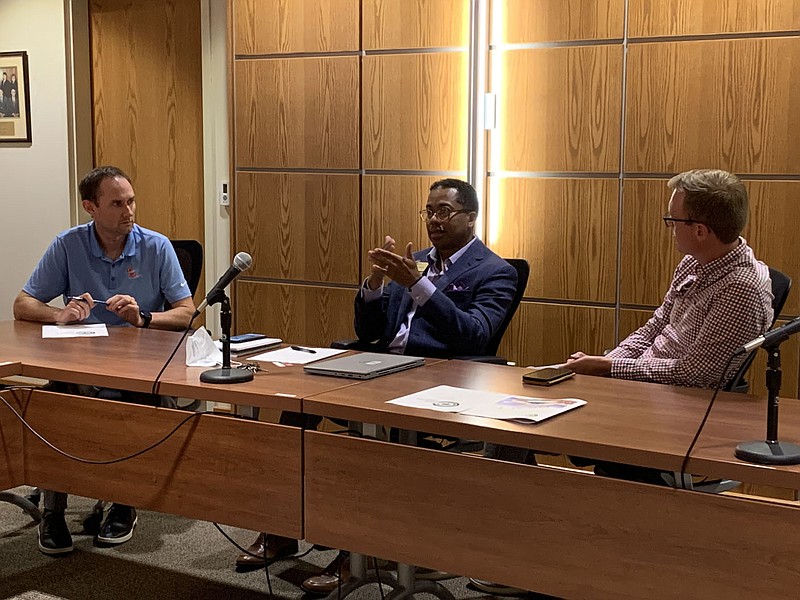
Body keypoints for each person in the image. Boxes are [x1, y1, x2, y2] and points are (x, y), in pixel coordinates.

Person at [235, 179, 518, 594]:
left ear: (471, 217)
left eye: (444, 211)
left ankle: (358, 551)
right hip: (379, 370)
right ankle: (280, 527)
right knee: (296, 403)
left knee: (361, 445)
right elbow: (370, 332)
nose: (434, 221)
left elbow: (474, 335)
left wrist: (417, 286)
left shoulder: (496, 270)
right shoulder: (413, 262)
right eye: (429, 211)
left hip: (436, 383)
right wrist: (374, 285)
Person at [13, 165, 196, 556]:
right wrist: (59, 315)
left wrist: (144, 317)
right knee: (53, 407)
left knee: (129, 409)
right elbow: (23, 304)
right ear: (90, 207)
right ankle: (53, 511)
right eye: (117, 203)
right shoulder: (68, 245)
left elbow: (187, 313)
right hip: (79, 364)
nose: (129, 210)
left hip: (137, 369)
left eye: (131, 201)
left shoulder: (156, 246)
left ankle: (122, 504)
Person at [566, 168, 773, 387]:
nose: (671, 229)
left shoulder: (741, 291)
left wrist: (607, 368)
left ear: (700, 232)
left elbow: (695, 374)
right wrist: (609, 361)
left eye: (673, 221)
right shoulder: (694, 262)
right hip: (645, 381)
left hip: (680, 400)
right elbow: (655, 326)